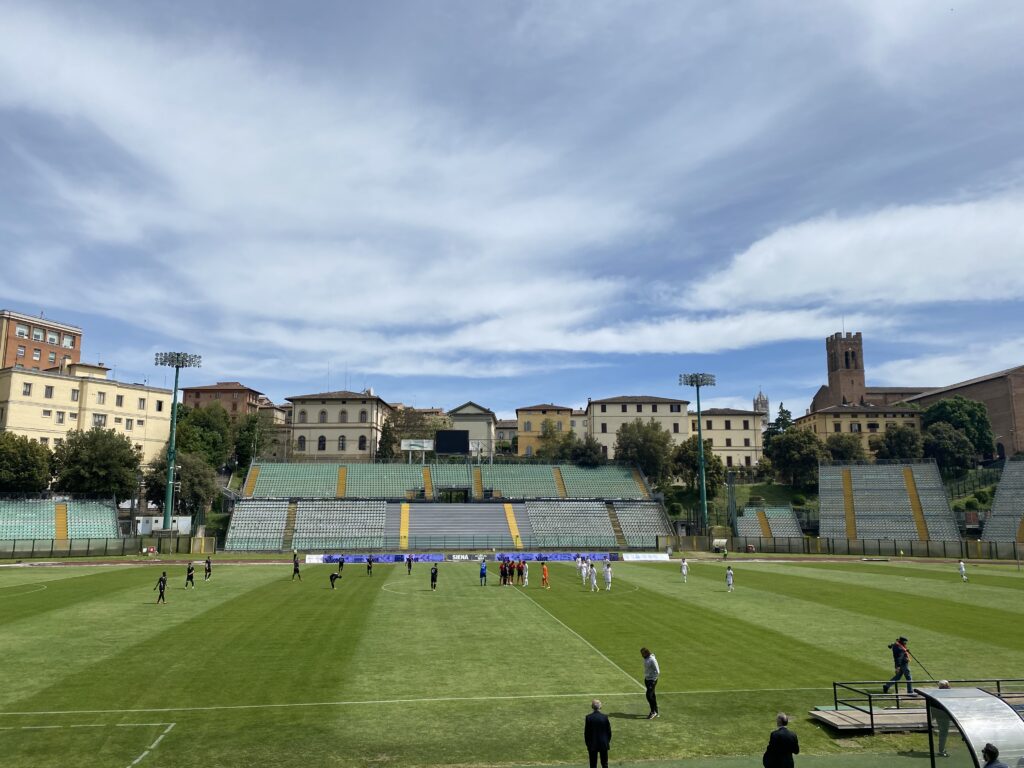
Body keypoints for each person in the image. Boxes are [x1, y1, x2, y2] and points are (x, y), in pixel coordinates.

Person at [583, 698, 612, 768]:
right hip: (603, 743)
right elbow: (609, 732)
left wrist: (588, 744)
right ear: (600, 707)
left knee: (593, 765)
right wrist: (607, 741)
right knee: (605, 764)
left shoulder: (588, 718)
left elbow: (586, 734)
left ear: (592, 707)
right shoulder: (605, 717)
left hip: (592, 744)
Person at [641, 647, 659, 719]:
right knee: (652, 695)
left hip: (652, 680)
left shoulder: (652, 660)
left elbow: (657, 671)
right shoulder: (646, 659)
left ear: (646, 653)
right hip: (647, 679)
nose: (642, 655)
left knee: (649, 695)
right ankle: (656, 711)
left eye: (643, 653)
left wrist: (653, 679)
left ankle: (653, 712)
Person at [935, 680, 952, 757]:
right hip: (943, 717)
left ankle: (941, 749)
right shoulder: (945, 695)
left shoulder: (937, 693)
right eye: (948, 686)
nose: (949, 687)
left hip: (940, 716)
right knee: (943, 733)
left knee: (942, 733)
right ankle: (941, 750)